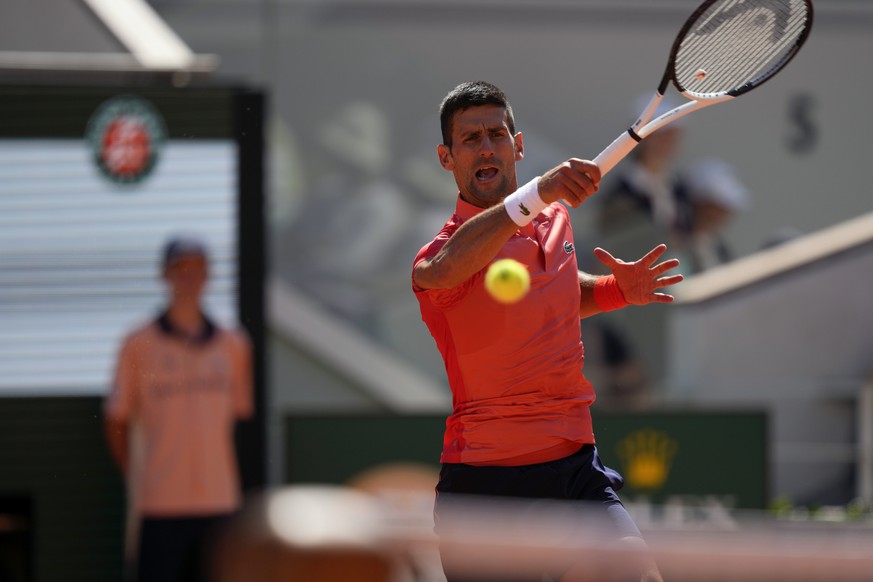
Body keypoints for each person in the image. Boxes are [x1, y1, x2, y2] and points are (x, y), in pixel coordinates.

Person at [412, 81, 682, 581]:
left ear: (518, 145)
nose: (487, 147)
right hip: (484, 489)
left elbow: (554, 290)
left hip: (575, 470)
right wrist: (535, 192)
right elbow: (446, 271)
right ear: (446, 158)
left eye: (497, 133)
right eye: (470, 139)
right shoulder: (442, 253)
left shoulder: (557, 217)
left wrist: (615, 289)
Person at [104, 235, 253, 582]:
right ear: (164, 275)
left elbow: (238, 416)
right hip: (160, 505)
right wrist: (140, 478)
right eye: (180, 268)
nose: (189, 277)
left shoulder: (234, 345)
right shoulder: (137, 344)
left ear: (208, 276)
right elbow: (117, 419)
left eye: (198, 268)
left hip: (219, 503)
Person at [682, 158, 752, 273]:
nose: (722, 215)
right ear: (698, 202)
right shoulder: (677, 246)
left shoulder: (720, 250)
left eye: (727, 208)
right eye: (717, 207)